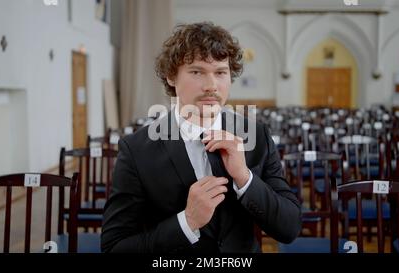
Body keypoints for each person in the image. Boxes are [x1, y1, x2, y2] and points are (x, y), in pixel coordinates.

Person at [101, 22, 301, 253]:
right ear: (171, 76)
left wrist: (245, 179)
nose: (211, 86)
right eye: (197, 72)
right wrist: (187, 222)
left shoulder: (257, 136)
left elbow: (290, 228)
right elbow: (114, 248)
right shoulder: (136, 150)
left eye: (220, 72)